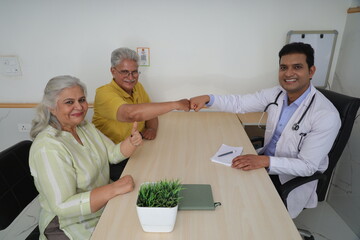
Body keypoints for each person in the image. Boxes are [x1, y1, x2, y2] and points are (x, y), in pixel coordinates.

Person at [190, 42, 341, 218]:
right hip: (264, 164)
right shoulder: (277, 94)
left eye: (297, 67)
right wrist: (209, 98)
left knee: (239, 209)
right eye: (283, 67)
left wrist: (264, 161)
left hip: (288, 177)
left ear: (311, 71)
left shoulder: (325, 115)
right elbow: (240, 103)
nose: (289, 73)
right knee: (219, 183)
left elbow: (307, 166)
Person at [29, 75, 142, 240]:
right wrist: (114, 189)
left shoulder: (84, 127)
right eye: (69, 102)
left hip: (103, 206)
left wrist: (131, 142)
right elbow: (63, 205)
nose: (79, 107)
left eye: (81, 100)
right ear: (52, 107)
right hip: (69, 224)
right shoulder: (47, 148)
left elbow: (111, 154)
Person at [92, 47, 190, 180]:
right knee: (151, 179)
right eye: (125, 72)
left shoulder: (137, 87)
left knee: (174, 163)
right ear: (113, 71)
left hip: (137, 148)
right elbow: (131, 114)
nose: (131, 77)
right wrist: (175, 105)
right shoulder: (103, 93)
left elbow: (150, 113)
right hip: (114, 157)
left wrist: (151, 128)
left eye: (134, 72)